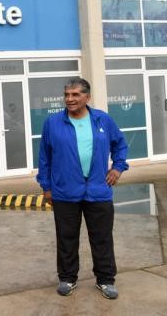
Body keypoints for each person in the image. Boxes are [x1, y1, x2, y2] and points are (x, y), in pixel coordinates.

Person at [37, 77, 128, 300]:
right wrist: (46, 186)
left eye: (75, 94)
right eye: (67, 95)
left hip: (98, 190)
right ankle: (67, 278)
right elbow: (44, 157)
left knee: (102, 237)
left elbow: (120, 144)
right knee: (66, 237)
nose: (70, 99)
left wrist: (117, 168)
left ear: (87, 97)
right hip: (64, 191)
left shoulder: (102, 120)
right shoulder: (53, 123)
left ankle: (105, 280)